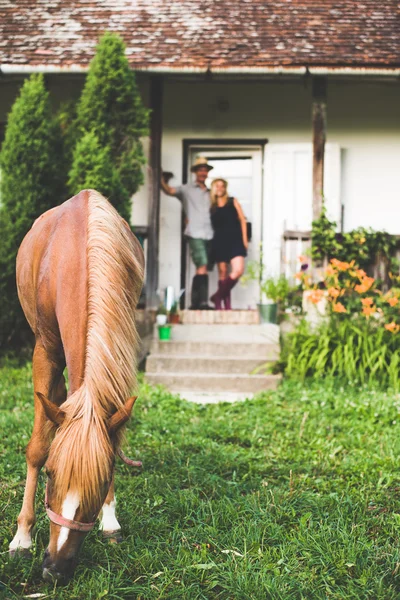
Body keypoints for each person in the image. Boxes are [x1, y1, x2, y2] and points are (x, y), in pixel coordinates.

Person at [160, 157, 214, 309]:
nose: (203, 172)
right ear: (196, 172)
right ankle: (202, 302)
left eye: (205, 170)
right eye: (200, 169)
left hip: (209, 234)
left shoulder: (211, 193)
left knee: (204, 268)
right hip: (194, 232)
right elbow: (169, 190)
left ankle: (196, 302)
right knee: (202, 264)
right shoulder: (186, 189)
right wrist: (160, 178)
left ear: (207, 173)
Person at [209, 178, 248, 310]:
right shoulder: (211, 206)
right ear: (213, 188)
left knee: (238, 270)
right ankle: (224, 305)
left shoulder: (233, 201)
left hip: (235, 239)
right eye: (217, 186)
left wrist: (245, 239)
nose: (219, 188)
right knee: (223, 272)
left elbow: (243, 220)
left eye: (222, 186)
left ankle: (217, 296)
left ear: (225, 188)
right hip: (220, 241)